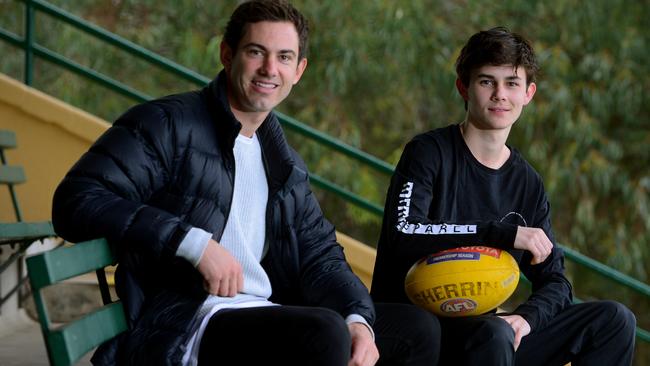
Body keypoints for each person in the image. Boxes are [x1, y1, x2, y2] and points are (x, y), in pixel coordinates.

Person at [52, 1, 440, 365]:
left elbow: (320, 256)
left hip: (261, 312)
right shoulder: (168, 124)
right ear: (227, 54)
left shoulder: (280, 160)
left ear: (299, 70)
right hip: (186, 322)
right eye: (256, 51)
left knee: (414, 330)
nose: (270, 68)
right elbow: (76, 200)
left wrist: (358, 318)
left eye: (284, 57)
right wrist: (192, 243)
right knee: (323, 334)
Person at [370, 26, 637, 366]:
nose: (499, 94)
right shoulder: (428, 153)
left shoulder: (527, 184)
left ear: (529, 93)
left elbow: (555, 281)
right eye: (486, 81)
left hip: (484, 337)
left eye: (511, 83)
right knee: (494, 335)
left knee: (614, 321)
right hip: (417, 329)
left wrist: (526, 317)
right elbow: (403, 233)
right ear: (463, 88)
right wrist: (500, 233)